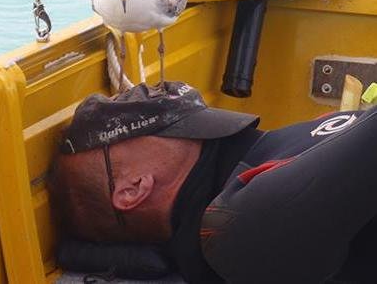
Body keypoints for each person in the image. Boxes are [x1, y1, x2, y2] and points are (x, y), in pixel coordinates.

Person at [48, 81, 377, 284]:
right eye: (116, 114)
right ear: (133, 188)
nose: (133, 93)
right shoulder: (237, 226)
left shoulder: (258, 158)